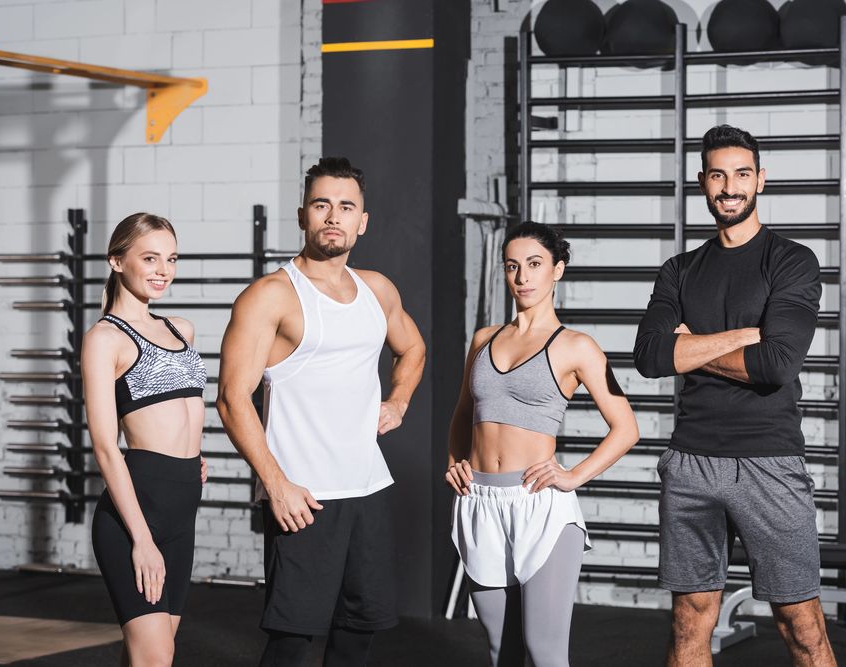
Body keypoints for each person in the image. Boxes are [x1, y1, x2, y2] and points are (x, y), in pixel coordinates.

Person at [634, 125, 837, 667]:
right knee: (689, 620)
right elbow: (651, 357)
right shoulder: (679, 270)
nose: (730, 186)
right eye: (718, 175)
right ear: (702, 182)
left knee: (802, 624)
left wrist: (690, 346)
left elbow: (776, 364)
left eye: (742, 174)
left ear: (761, 181)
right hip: (691, 460)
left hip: (768, 459)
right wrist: (741, 337)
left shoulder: (792, 261)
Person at [217, 157, 426, 667]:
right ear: (303, 215)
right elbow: (230, 398)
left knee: (359, 634)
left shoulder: (377, 290)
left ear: (363, 221)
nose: (333, 216)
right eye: (322, 204)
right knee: (291, 642)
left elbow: (413, 349)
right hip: (304, 497)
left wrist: (397, 402)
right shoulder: (270, 296)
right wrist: (277, 483)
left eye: (345, 207)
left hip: (368, 488)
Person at [447, 221, 639, 667]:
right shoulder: (483, 340)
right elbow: (462, 414)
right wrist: (454, 461)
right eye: (512, 266)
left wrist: (573, 476)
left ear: (558, 270)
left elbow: (626, 427)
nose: (523, 277)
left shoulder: (576, 346)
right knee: (502, 651)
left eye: (534, 265)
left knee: (544, 650)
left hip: (540, 507)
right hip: (479, 501)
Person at [84, 212, 208, 667]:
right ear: (117, 261)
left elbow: (184, 411)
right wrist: (141, 538)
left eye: (170, 259)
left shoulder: (181, 329)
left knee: (153, 654)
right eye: (150, 258)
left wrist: (195, 454)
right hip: (136, 515)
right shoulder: (105, 339)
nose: (163, 270)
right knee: (154, 657)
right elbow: (104, 446)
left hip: (182, 511)